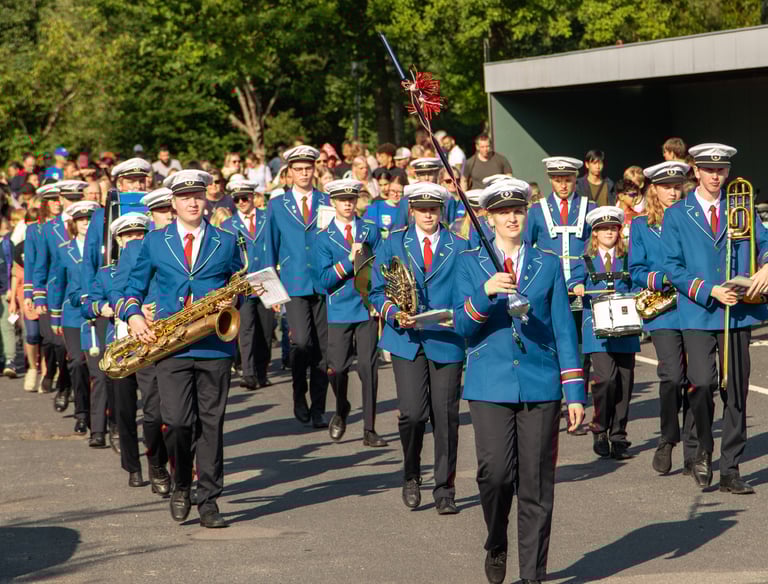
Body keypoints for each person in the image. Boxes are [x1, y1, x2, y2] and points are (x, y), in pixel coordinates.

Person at [453, 179, 585, 584]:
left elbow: (564, 328)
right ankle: (496, 540)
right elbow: (461, 325)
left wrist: (575, 391)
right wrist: (485, 293)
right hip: (489, 383)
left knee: (536, 482)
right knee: (494, 475)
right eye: (503, 211)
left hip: (540, 382)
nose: (512, 217)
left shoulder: (546, 263)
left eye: (518, 210)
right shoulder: (469, 262)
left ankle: (532, 574)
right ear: (488, 218)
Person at [121, 169, 257, 527]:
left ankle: (209, 500)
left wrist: (232, 303)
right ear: (174, 203)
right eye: (185, 197)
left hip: (214, 345)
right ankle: (181, 484)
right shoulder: (154, 242)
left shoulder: (227, 240)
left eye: (198, 195)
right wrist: (134, 316)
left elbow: (238, 285)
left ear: (206, 199)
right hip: (171, 346)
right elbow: (132, 287)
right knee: (179, 423)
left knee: (211, 424)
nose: (193, 202)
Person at [662, 143, 768, 495]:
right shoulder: (678, 214)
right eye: (709, 169)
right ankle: (703, 450)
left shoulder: (741, 205)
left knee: (735, 391)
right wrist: (709, 290)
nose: (716, 176)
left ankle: (731, 469)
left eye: (721, 170)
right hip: (698, 310)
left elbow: (764, 243)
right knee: (703, 383)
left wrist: (766, 265)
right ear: (696, 171)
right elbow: (673, 269)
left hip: (738, 311)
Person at [369, 182, 468, 513]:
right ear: (411, 210)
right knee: (412, 414)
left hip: (445, 338)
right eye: (422, 208)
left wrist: (456, 316)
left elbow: (468, 291)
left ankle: (445, 490)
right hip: (406, 338)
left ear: (441, 210)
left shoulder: (460, 245)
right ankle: (411, 474)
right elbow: (376, 291)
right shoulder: (395, 242)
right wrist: (394, 313)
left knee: (445, 416)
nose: (428, 214)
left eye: (434, 208)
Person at [629, 160, 697, 475]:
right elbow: (636, 269)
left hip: (696, 306)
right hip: (664, 311)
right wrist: (661, 278)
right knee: (672, 376)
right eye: (666, 186)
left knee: (698, 378)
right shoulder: (642, 225)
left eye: (677, 186)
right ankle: (668, 437)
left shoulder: (694, 220)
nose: (672, 191)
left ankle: (694, 445)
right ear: (654, 189)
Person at [525, 156, 596, 435]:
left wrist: (586, 279)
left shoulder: (590, 208)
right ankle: (552, 403)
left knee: (578, 348)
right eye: (557, 179)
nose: (563, 184)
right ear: (550, 180)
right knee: (548, 346)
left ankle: (577, 404)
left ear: (575, 179)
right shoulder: (536, 211)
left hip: (579, 288)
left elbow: (597, 246)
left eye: (567, 179)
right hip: (547, 290)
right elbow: (527, 249)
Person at [314, 179, 387, 447]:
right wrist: (348, 261)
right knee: (338, 369)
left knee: (369, 368)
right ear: (332, 202)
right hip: (339, 309)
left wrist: (380, 299)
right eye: (342, 199)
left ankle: (370, 428)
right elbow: (322, 280)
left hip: (366, 306)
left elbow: (382, 266)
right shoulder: (323, 237)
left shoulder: (370, 230)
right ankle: (342, 407)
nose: (347, 203)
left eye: (352, 199)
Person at [266, 145, 331, 428]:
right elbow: (269, 248)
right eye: (299, 169)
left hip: (324, 282)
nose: (305, 174)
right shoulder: (277, 205)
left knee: (322, 350)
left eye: (309, 168)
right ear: (289, 172)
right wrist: (270, 293)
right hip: (293, 284)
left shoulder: (327, 202)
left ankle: (319, 408)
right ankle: (298, 392)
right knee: (302, 343)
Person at [569, 206, 640, 460]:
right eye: (603, 228)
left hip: (626, 328)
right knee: (605, 380)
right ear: (595, 234)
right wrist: (576, 286)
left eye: (613, 228)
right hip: (596, 330)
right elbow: (572, 281)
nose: (609, 232)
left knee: (624, 381)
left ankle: (619, 435)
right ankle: (599, 428)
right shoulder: (585, 259)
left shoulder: (629, 257)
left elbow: (638, 282)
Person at [109, 212, 172, 491]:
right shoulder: (134, 251)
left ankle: (169, 466)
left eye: (139, 233)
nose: (135, 239)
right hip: (136, 339)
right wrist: (134, 309)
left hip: (168, 335)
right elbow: (118, 292)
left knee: (167, 412)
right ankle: (144, 465)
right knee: (138, 410)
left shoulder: (165, 243)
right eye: (128, 235)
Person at [49, 201, 101, 434]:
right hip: (72, 314)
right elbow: (58, 282)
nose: (86, 224)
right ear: (74, 223)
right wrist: (55, 314)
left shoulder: (103, 249)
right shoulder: (64, 249)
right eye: (81, 220)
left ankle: (104, 416)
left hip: (99, 312)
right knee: (78, 362)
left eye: (89, 220)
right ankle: (82, 414)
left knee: (99, 366)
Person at [33, 181, 86, 408]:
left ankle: (83, 399)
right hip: (58, 294)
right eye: (70, 199)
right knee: (60, 345)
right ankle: (64, 385)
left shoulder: (91, 223)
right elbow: (40, 264)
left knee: (84, 353)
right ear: (61, 199)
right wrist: (38, 295)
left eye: (78, 198)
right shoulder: (49, 228)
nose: (74, 203)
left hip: (83, 292)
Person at [221, 179, 274, 390]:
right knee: (247, 330)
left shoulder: (267, 218)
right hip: (244, 283)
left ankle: (262, 371)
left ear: (254, 197)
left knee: (267, 328)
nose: (242, 202)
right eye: (237, 199)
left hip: (267, 279)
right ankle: (248, 373)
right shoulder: (228, 225)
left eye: (245, 197)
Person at [22, 196, 48, 391]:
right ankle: (32, 368)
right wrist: (28, 294)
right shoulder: (33, 230)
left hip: (56, 288)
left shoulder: (65, 226)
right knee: (32, 334)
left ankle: (48, 373)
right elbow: (29, 263)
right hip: (36, 286)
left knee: (51, 337)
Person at [0, 216, 16, 377]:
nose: (8, 232)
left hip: (5, 292)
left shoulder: (6, 245)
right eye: (5, 229)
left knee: (7, 326)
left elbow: (13, 269)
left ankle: (10, 360)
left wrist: (11, 290)